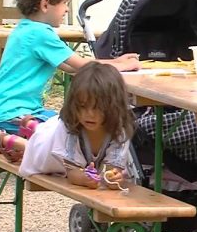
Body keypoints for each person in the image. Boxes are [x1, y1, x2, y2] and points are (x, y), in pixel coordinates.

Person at [0, 0, 140, 158]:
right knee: (67, 130)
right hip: (12, 113)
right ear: (45, 5)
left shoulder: (24, 29)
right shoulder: (40, 33)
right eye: (64, 3)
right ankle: (7, 141)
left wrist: (110, 63)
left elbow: (69, 66)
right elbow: (82, 65)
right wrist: (121, 64)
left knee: (62, 123)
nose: (66, 9)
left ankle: (10, 141)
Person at [15, 62, 135, 190]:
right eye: (82, 106)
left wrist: (114, 178)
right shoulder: (69, 126)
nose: (89, 114)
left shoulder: (119, 127)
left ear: (113, 106)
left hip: (55, 137)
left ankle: (32, 127)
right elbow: (72, 173)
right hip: (45, 150)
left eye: (98, 107)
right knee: (35, 145)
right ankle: (13, 140)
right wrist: (84, 179)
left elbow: (112, 170)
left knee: (45, 133)